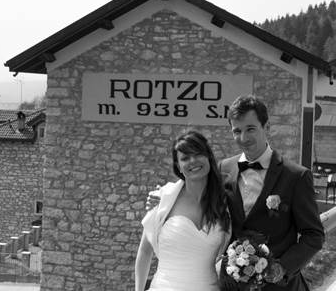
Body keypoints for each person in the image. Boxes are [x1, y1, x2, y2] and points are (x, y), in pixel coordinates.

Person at [147, 95, 325, 290]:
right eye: (237, 131)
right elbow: (194, 186)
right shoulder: (224, 168)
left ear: (267, 128)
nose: (243, 138)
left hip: (280, 287)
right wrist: (164, 197)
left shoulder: (296, 176)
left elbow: (313, 235)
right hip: (231, 285)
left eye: (250, 129)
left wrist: (282, 268)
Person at [135, 131, 232, 291]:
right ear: (178, 165)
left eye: (198, 154)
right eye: (185, 158)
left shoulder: (224, 202)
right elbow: (145, 251)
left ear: (208, 156)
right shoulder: (163, 198)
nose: (193, 161)